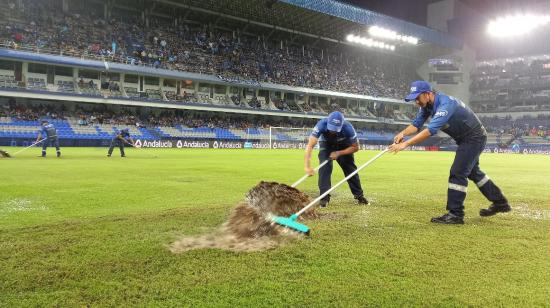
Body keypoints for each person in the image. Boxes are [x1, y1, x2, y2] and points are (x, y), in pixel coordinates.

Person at [389, 81, 510, 224]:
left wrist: (406, 144)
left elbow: (430, 131)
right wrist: (402, 134)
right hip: (466, 139)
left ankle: (456, 214)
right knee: (473, 172)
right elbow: (416, 125)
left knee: (458, 172)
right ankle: (500, 202)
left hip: (474, 137)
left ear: (428, 94)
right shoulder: (427, 106)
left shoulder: (445, 105)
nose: (416, 101)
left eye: (417, 97)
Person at [304, 111, 369, 208]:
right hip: (326, 144)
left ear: (342, 124)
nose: (333, 131)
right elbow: (310, 146)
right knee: (325, 168)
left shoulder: (348, 128)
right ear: (328, 122)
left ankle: (359, 196)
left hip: (344, 145)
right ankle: (324, 198)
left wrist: (339, 153)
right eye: (331, 128)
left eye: (336, 129)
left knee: (350, 169)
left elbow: (356, 147)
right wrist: (307, 166)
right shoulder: (321, 124)